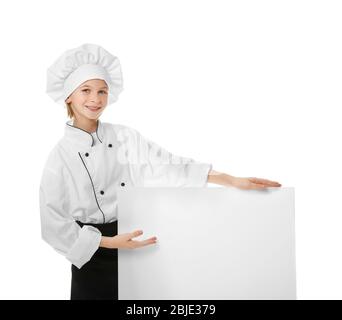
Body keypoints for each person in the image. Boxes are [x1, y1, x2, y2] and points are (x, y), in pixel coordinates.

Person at [40, 43, 282, 300]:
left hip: (135, 240)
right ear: (68, 96)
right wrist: (109, 243)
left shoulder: (124, 137)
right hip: (90, 252)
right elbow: (52, 223)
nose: (95, 99)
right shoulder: (60, 157)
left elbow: (166, 165)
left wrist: (231, 180)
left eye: (102, 91)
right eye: (86, 90)